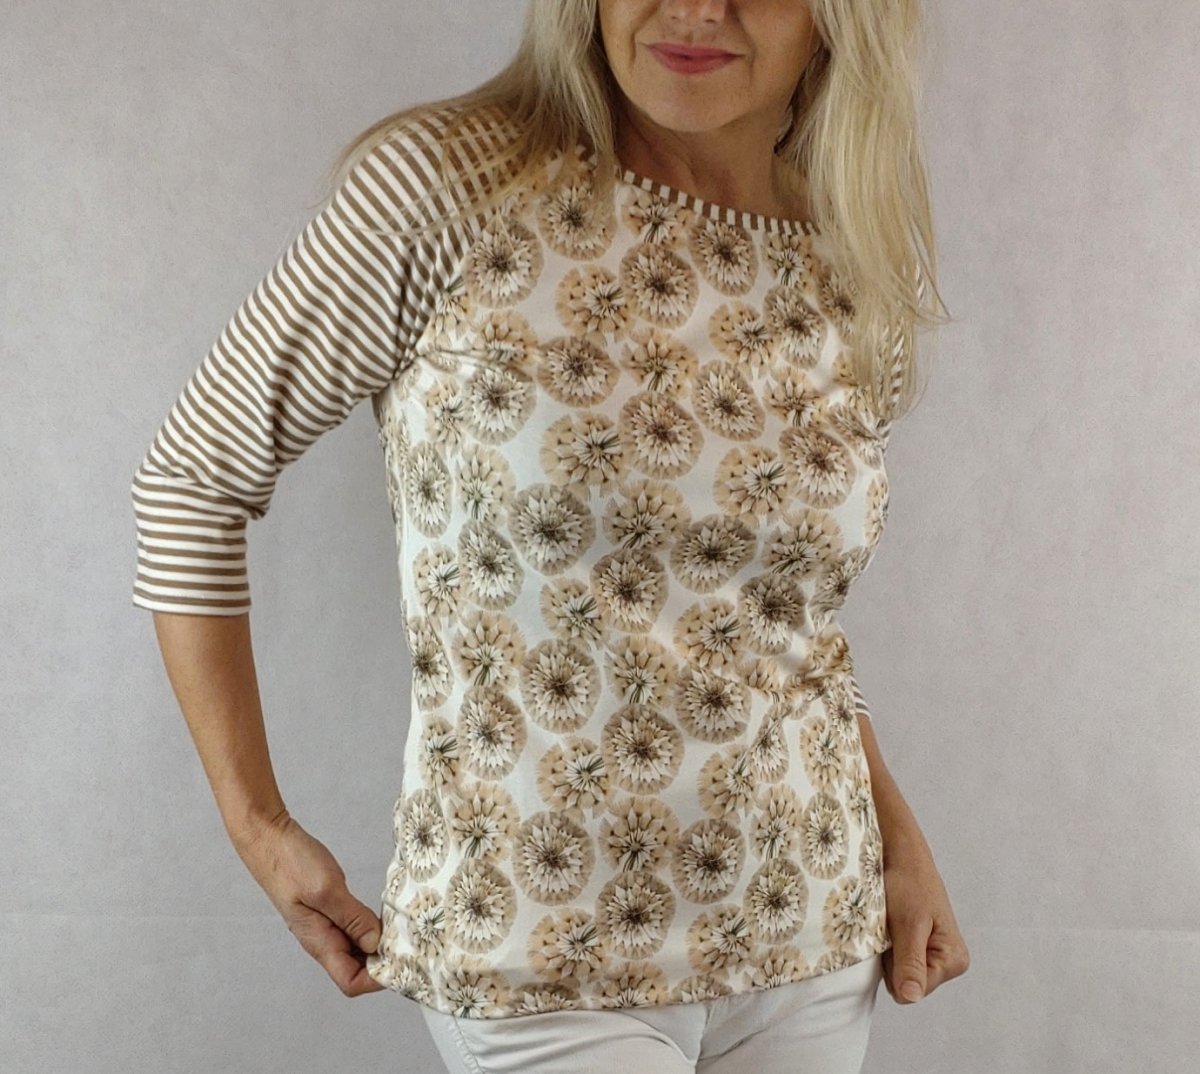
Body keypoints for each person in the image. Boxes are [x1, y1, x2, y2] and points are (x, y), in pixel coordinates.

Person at [130, 1, 968, 1071]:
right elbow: (191, 481)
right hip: (534, 949)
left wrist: (897, 836)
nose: (696, 7)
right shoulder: (450, 189)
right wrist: (256, 826)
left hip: (810, 927)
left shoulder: (852, 248)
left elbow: (783, 621)